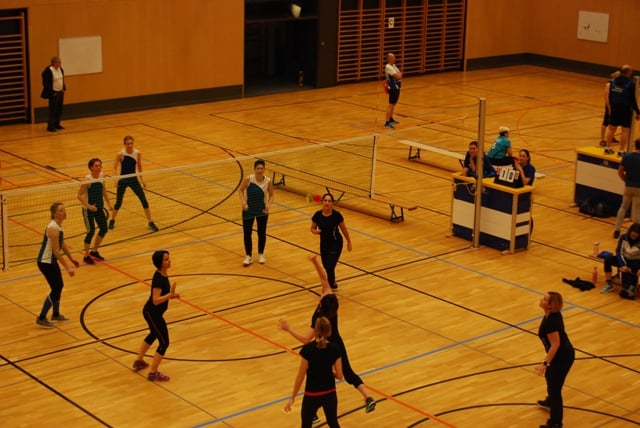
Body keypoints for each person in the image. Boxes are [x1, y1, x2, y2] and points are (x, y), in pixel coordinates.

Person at [279, 255, 376, 418]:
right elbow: (324, 278)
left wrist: (289, 329)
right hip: (338, 343)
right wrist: (315, 262)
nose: (323, 292)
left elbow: (305, 339)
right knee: (348, 372)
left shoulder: (318, 319)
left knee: (316, 375)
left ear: (321, 303)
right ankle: (368, 397)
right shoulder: (331, 304)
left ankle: (313, 412)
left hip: (324, 347)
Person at [284, 316, 344, 428]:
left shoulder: (308, 350)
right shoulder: (335, 348)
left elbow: (300, 377)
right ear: (329, 331)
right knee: (333, 423)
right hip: (330, 393)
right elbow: (340, 376)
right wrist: (331, 372)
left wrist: (292, 397)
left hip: (312, 395)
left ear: (315, 331)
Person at [132, 250, 179, 381]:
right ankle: (153, 373)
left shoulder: (162, 274)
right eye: (166, 259)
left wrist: (171, 296)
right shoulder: (159, 278)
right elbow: (155, 300)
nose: (169, 261)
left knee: (153, 334)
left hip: (152, 312)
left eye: (169, 258)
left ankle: (139, 361)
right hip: (153, 314)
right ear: (160, 263)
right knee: (164, 342)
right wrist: (169, 295)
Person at [35, 202, 80, 328]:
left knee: (59, 286)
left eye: (64, 210)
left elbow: (62, 244)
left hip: (51, 261)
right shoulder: (53, 228)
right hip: (45, 262)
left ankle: (55, 314)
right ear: (54, 214)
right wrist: (67, 267)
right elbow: (56, 251)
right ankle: (41, 318)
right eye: (61, 210)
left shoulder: (58, 226)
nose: (64, 212)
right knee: (56, 288)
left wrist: (72, 258)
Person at [534, 291, 575, 428]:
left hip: (562, 357)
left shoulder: (552, 321)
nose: (541, 300)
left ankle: (555, 422)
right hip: (558, 356)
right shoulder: (550, 315)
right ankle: (551, 401)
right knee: (550, 378)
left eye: (545, 299)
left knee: (555, 388)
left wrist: (545, 363)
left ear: (550, 305)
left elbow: (555, 344)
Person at [110, 135, 159, 232]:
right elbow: (114, 168)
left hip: (133, 179)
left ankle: (150, 221)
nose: (130, 145)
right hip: (123, 180)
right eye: (128, 144)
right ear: (124, 144)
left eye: (131, 143)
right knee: (118, 202)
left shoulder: (137, 153)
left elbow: (139, 166)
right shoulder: (120, 154)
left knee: (144, 200)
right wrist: (115, 179)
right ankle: (112, 220)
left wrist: (142, 179)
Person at [311, 193, 352, 290]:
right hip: (324, 244)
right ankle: (333, 283)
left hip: (336, 243)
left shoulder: (336, 215)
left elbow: (344, 229)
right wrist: (316, 232)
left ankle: (329, 286)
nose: (327, 203)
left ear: (332, 203)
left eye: (329, 201)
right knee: (326, 266)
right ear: (322, 202)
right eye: (325, 200)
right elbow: (312, 228)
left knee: (330, 266)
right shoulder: (317, 215)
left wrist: (349, 242)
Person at [238, 159, 274, 266]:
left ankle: (261, 254)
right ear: (254, 169)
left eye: (261, 168)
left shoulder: (268, 181)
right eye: (258, 168)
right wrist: (243, 202)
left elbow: (271, 195)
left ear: (264, 169)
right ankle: (248, 256)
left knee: (261, 232)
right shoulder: (249, 179)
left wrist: (268, 206)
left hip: (262, 210)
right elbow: (240, 190)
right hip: (248, 210)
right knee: (247, 233)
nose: (259, 170)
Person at [77, 158, 112, 265]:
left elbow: (103, 190)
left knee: (104, 228)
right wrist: (89, 206)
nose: (98, 168)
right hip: (88, 210)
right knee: (90, 231)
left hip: (99, 208)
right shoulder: (87, 180)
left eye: (100, 165)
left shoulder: (102, 176)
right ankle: (86, 256)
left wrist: (109, 203)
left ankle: (94, 251)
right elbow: (79, 195)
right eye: (96, 166)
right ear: (91, 167)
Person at [604, 65, 640, 156]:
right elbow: (633, 99)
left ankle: (607, 148)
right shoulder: (630, 84)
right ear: (628, 72)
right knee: (625, 130)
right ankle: (621, 151)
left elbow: (610, 96)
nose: (632, 72)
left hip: (615, 108)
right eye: (631, 71)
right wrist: (637, 112)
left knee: (611, 128)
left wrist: (610, 108)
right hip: (625, 109)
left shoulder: (613, 81)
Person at [600, 222, 640, 294]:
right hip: (624, 258)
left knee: (634, 269)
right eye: (632, 235)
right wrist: (623, 265)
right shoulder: (624, 237)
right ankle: (609, 283)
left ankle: (632, 287)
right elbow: (619, 251)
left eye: (635, 236)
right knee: (608, 260)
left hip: (636, 262)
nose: (633, 237)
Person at [612, 138, 640, 239]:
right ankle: (636, 232)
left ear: (635, 145)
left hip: (628, 186)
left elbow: (620, 172)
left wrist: (626, 180)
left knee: (623, 207)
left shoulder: (627, 156)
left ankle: (617, 230)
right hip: (639, 187)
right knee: (637, 210)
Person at [40, 56, 65, 133]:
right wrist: (52, 92)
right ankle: (50, 126)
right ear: (54, 63)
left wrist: (63, 88)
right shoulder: (48, 70)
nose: (60, 63)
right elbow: (46, 83)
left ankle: (57, 124)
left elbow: (62, 79)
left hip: (60, 92)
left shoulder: (60, 69)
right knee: (53, 110)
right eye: (59, 62)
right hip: (54, 93)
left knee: (59, 109)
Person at [600, 71, 621, 146]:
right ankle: (602, 139)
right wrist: (609, 108)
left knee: (613, 122)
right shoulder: (609, 84)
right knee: (605, 122)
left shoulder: (617, 84)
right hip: (609, 105)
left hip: (615, 106)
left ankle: (611, 137)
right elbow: (606, 97)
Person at [384, 52, 402, 129]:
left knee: (393, 104)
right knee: (391, 104)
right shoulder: (388, 66)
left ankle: (391, 118)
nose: (395, 58)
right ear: (389, 59)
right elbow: (398, 76)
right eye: (393, 57)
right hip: (393, 87)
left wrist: (399, 74)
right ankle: (387, 122)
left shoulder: (393, 65)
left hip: (397, 87)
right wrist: (399, 74)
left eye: (394, 57)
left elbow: (400, 74)